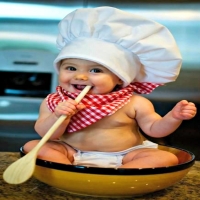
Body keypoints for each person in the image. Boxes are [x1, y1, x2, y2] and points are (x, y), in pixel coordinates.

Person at [24, 7, 197, 169]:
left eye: (95, 70)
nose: (80, 76)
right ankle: (68, 170)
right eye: (71, 68)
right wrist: (58, 116)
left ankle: (119, 174)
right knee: (32, 146)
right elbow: (47, 134)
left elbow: (155, 130)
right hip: (71, 152)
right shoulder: (54, 101)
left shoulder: (134, 103)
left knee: (166, 158)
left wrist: (174, 117)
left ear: (119, 79)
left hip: (124, 156)